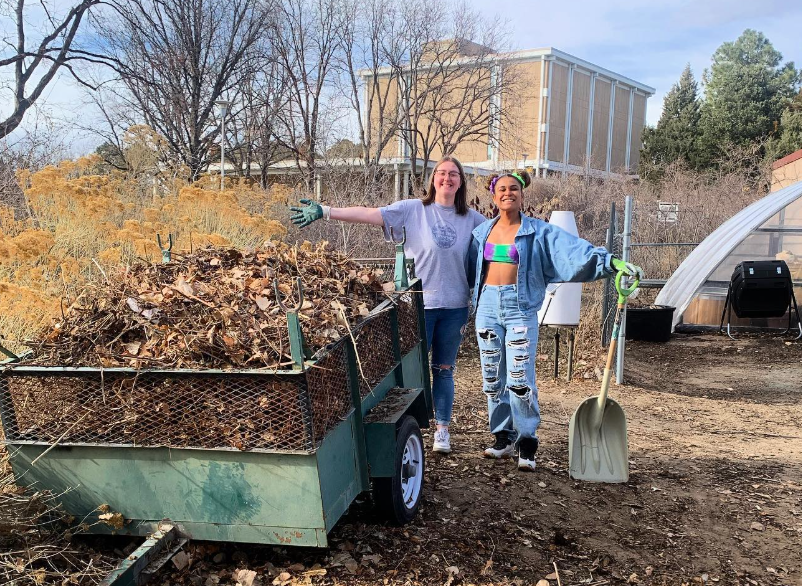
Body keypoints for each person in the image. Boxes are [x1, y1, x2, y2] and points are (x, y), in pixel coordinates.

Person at [290, 156, 486, 454]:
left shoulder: (473, 220)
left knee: (444, 370)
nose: (447, 178)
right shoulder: (412, 210)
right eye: (442, 173)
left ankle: (443, 431)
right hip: (416, 306)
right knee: (408, 369)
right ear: (433, 179)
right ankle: (405, 431)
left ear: (461, 181)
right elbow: (369, 214)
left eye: (454, 174)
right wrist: (326, 211)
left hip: (454, 307)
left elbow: (502, 239)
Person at [466, 170, 643, 472]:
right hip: (487, 308)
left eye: (514, 189)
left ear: (522, 195)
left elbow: (573, 250)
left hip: (519, 308)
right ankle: (503, 438)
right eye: (502, 189)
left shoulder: (538, 232)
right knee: (493, 379)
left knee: (520, 380)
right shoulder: (481, 233)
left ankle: (527, 442)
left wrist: (610, 262)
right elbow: (471, 272)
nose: (507, 193)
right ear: (493, 196)